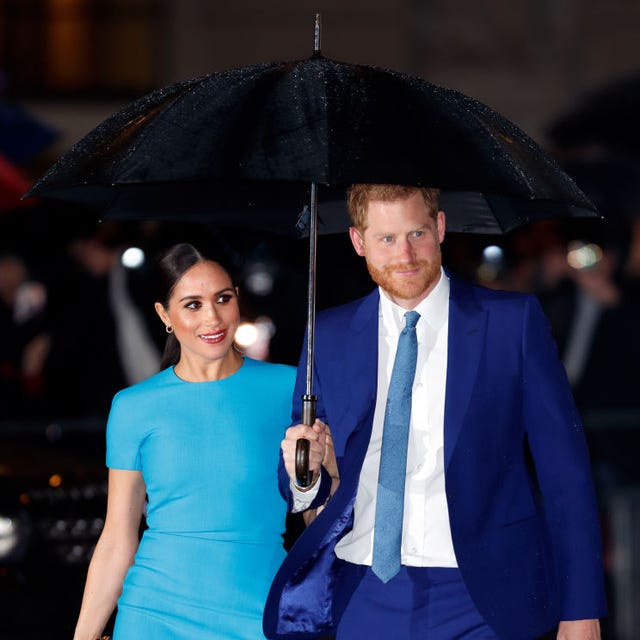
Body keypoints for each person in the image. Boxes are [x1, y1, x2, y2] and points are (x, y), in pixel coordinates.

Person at [264, 185, 607, 640]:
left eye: (417, 233)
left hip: (485, 596)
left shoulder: (511, 322)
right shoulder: (328, 333)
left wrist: (581, 609)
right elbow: (304, 483)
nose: (404, 254)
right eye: (386, 239)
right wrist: (304, 470)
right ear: (358, 241)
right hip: (361, 587)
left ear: (440, 228)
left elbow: (566, 475)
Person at [73, 242, 296, 640]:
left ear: (237, 299)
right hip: (154, 614)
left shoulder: (290, 388)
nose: (212, 317)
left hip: (260, 611)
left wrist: (324, 469)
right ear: (165, 315)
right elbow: (118, 537)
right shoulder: (133, 407)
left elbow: (318, 515)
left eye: (222, 299)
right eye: (192, 304)